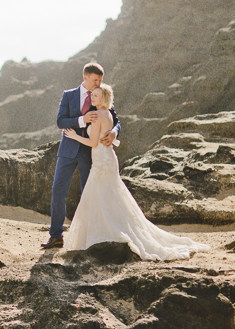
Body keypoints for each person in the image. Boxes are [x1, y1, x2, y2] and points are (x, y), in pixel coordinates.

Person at [61, 84, 209, 260]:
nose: (92, 98)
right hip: (107, 159)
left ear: (104, 98)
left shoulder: (98, 115)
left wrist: (74, 136)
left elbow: (93, 142)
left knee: (99, 196)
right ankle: (109, 233)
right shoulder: (107, 114)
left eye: (96, 96)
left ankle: (105, 236)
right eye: (92, 95)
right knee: (110, 197)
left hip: (101, 161)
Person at [41, 63, 120, 249]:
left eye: (100, 80)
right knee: (58, 192)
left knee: (88, 194)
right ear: (85, 77)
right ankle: (56, 236)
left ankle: (90, 237)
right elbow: (60, 121)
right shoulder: (68, 95)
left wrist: (114, 133)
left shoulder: (101, 95)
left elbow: (115, 120)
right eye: (95, 79)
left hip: (90, 153)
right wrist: (82, 120)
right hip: (67, 151)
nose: (98, 83)